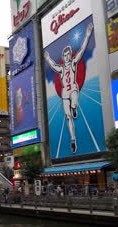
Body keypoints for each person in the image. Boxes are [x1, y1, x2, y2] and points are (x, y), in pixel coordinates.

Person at [44, 23, 94, 153]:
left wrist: (87, 35)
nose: (66, 57)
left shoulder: (72, 63)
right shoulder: (61, 68)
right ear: (63, 57)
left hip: (73, 88)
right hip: (65, 91)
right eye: (64, 56)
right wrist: (48, 58)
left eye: (67, 55)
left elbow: (82, 50)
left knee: (74, 102)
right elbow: (53, 66)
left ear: (70, 55)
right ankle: (73, 140)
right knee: (67, 116)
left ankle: (74, 107)